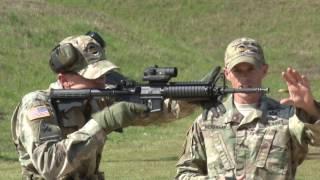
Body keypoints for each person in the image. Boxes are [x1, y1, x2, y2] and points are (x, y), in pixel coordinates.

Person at [11, 32, 194, 180]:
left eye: (103, 75)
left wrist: (192, 98)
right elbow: (49, 165)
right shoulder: (36, 104)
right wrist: (101, 123)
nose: (101, 81)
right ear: (64, 80)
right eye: (92, 76)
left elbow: (153, 110)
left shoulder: (98, 98)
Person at [176, 37, 320, 179]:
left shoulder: (287, 118)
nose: (244, 77)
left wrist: (311, 108)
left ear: (264, 70)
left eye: (250, 69)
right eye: (237, 70)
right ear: (227, 74)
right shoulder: (206, 122)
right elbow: (185, 174)